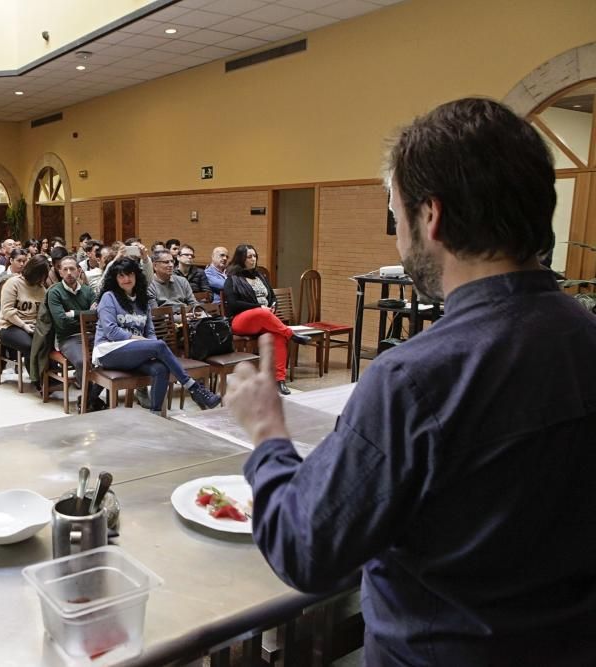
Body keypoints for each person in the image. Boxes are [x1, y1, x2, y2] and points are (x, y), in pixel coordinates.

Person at [228, 98, 596, 666]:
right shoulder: (584, 336)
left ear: (432, 218)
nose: (399, 239)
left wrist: (268, 434)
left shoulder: (415, 379)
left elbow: (305, 548)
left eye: (396, 216)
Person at [93, 257, 219, 413]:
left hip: (135, 352)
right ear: (115, 279)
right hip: (109, 351)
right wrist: (144, 342)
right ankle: (192, 386)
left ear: (136, 276)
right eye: (121, 276)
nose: (126, 279)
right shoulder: (109, 297)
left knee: (160, 368)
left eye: (130, 274)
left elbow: (150, 332)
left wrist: (149, 345)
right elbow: (111, 331)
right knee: (158, 345)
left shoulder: (142, 301)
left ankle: (156, 413)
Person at [223, 244, 309, 395]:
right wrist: (258, 307)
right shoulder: (232, 279)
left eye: (255, 256)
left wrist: (273, 304)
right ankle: (291, 334)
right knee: (261, 313)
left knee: (278, 336)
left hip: (264, 319)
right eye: (249, 257)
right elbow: (233, 304)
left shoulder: (260, 276)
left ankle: (279, 380)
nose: (253, 259)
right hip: (240, 321)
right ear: (241, 259)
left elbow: (272, 295)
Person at [47, 255, 103, 412]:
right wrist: (86, 316)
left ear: (79, 271)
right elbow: (62, 323)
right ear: (60, 272)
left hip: (91, 335)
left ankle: (88, 399)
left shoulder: (87, 290)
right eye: (65, 269)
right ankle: (90, 400)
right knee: (82, 362)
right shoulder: (55, 292)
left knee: (109, 358)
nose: (69, 272)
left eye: (72, 269)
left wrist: (73, 313)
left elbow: (97, 315)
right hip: (68, 339)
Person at [0, 255, 49, 364]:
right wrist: (24, 325)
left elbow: (43, 313)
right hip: (10, 325)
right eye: (40, 276)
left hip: (33, 325)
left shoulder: (41, 289)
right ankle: (36, 379)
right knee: (30, 346)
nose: (41, 280)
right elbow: (7, 311)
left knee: (47, 345)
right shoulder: (13, 283)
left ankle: (48, 378)